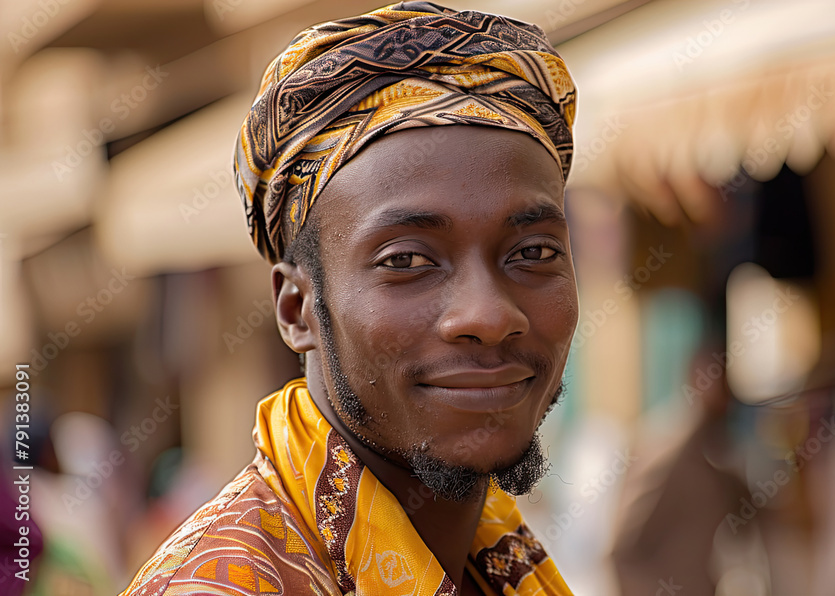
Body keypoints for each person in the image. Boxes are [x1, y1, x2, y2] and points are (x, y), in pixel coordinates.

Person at [120, 3, 578, 595]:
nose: (488, 317)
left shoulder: (491, 559)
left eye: (533, 253)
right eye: (407, 261)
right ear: (297, 308)